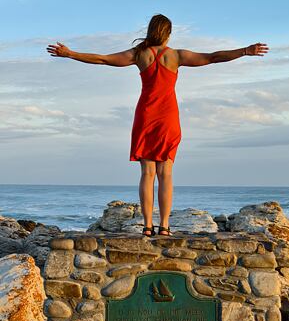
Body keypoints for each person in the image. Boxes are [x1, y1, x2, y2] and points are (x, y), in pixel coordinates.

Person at [46, 14, 269, 237]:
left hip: (145, 115)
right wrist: (244, 51)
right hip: (168, 117)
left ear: (150, 30)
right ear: (169, 33)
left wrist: (70, 54)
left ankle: (147, 226)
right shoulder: (176, 55)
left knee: (147, 173)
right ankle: (164, 226)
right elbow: (212, 57)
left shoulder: (139, 54)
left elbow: (103, 59)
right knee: (166, 173)